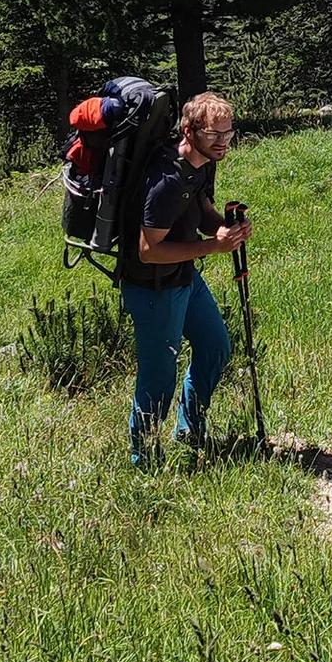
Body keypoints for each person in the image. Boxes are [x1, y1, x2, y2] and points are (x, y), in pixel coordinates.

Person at [118, 89, 247, 467]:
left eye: (228, 133)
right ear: (189, 132)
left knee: (215, 347)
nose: (224, 142)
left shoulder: (204, 164)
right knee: (159, 380)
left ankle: (190, 429)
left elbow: (202, 210)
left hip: (183, 278)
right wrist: (214, 247)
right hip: (152, 287)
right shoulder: (166, 180)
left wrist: (226, 229)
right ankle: (144, 460)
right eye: (215, 135)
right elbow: (148, 249)